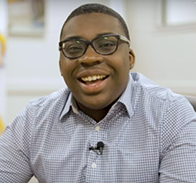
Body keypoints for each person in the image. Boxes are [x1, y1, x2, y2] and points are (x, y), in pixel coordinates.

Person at [0, 3, 196, 183]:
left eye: (106, 45)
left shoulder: (171, 115)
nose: (89, 58)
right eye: (74, 48)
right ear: (60, 65)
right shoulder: (33, 120)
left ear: (130, 59)